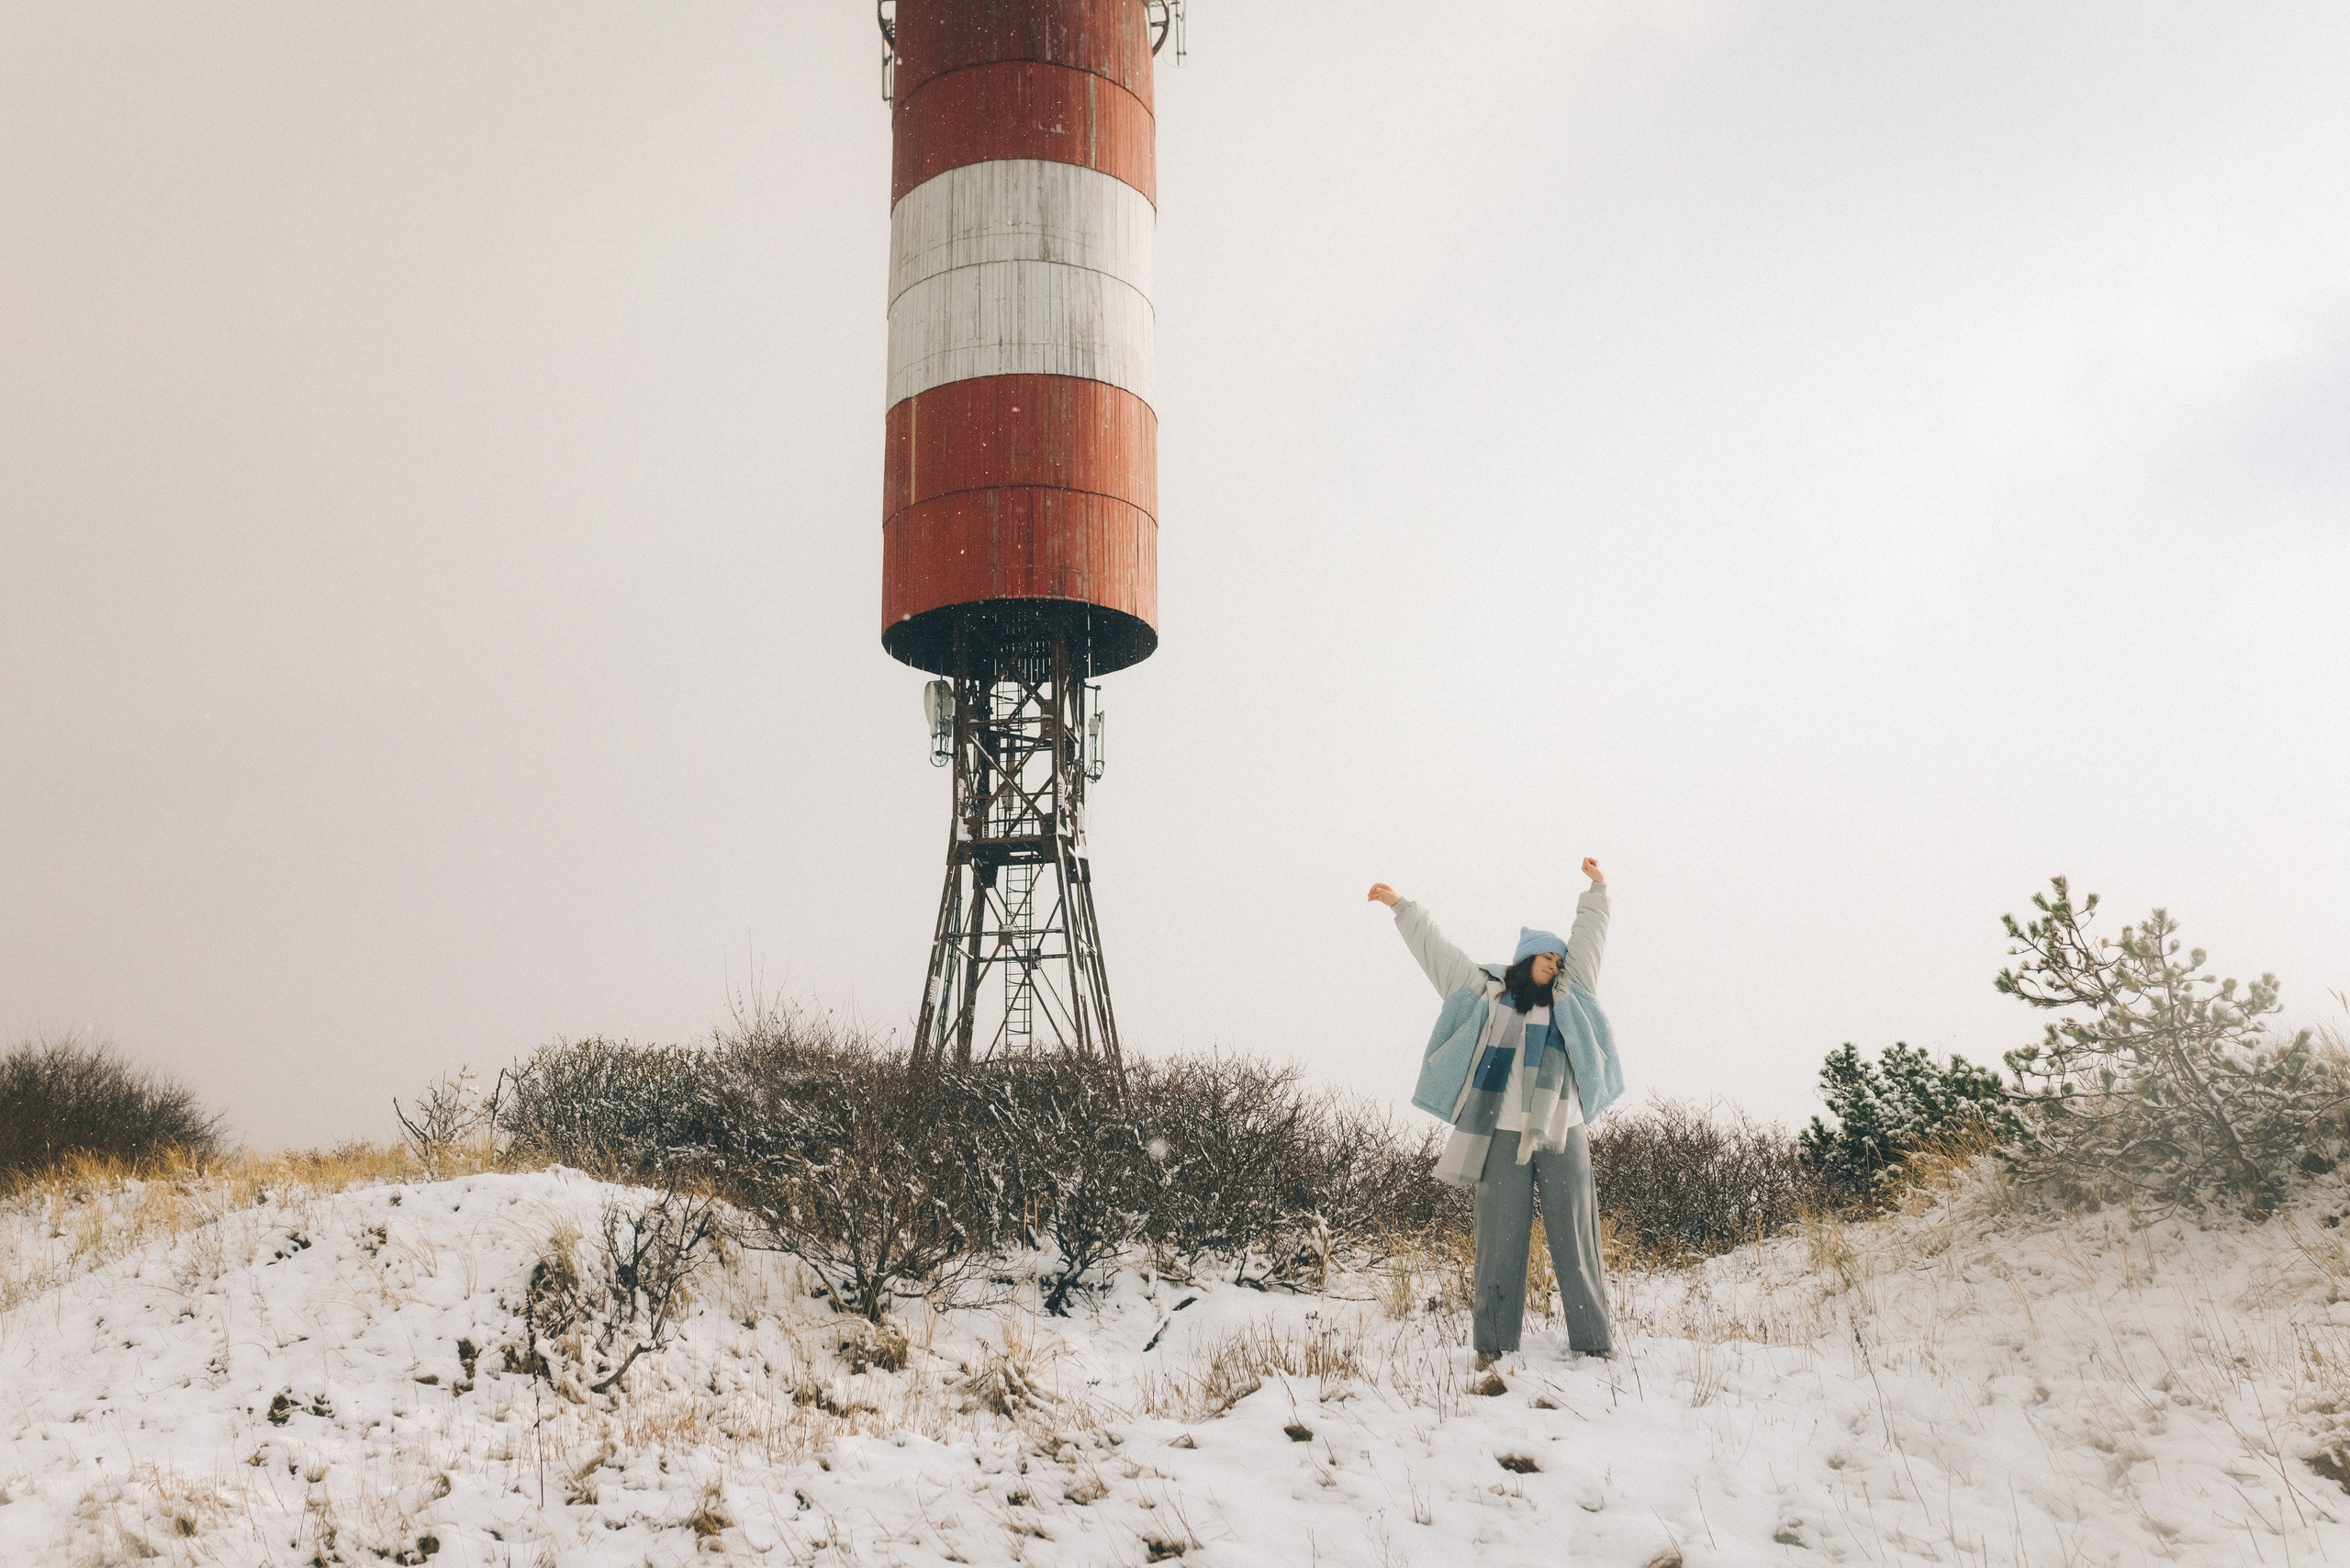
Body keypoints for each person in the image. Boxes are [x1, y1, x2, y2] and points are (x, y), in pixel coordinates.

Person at [1368, 860, 1620, 1363]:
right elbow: (1438, 954)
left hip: (1561, 1132)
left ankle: (1594, 1344)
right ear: (1524, 962)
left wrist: (1597, 889)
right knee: (1499, 1246)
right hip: (1500, 1137)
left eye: (1557, 959)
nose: (1553, 964)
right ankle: (1493, 1346)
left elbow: (1589, 939)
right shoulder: (1487, 995)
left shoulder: (1570, 996)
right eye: (1545, 958)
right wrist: (1402, 907)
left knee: (1576, 1240)